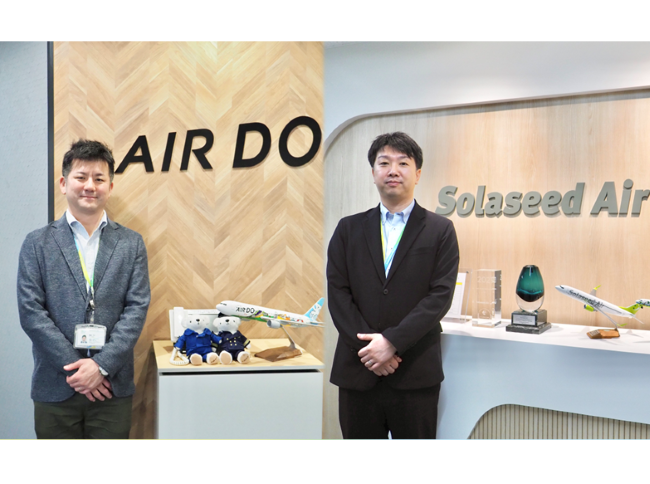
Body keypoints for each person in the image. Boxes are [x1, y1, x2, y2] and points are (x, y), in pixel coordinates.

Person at [327, 132, 459, 439]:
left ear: (418, 174)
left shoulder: (440, 230)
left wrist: (391, 343)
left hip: (413, 372)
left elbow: (439, 297)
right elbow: (338, 293)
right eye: (384, 163)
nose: (393, 170)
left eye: (403, 163)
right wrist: (370, 350)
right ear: (373, 173)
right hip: (358, 370)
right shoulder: (348, 229)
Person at [17, 139, 151, 439]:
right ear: (64, 184)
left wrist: (100, 367)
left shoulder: (131, 243)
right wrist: (79, 371)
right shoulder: (37, 243)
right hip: (55, 385)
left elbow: (137, 308)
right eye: (81, 177)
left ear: (110, 187)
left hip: (111, 387)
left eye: (99, 179)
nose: (90, 186)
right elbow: (31, 312)